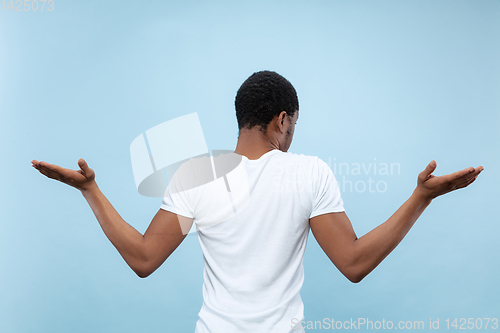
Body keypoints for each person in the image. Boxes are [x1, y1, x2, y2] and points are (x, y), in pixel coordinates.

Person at [32, 70, 483, 333]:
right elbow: (354, 263)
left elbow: (144, 258)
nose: (292, 135)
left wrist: (91, 191)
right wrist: (421, 198)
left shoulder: (197, 173)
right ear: (281, 119)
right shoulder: (309, 171)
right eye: (293, 124)